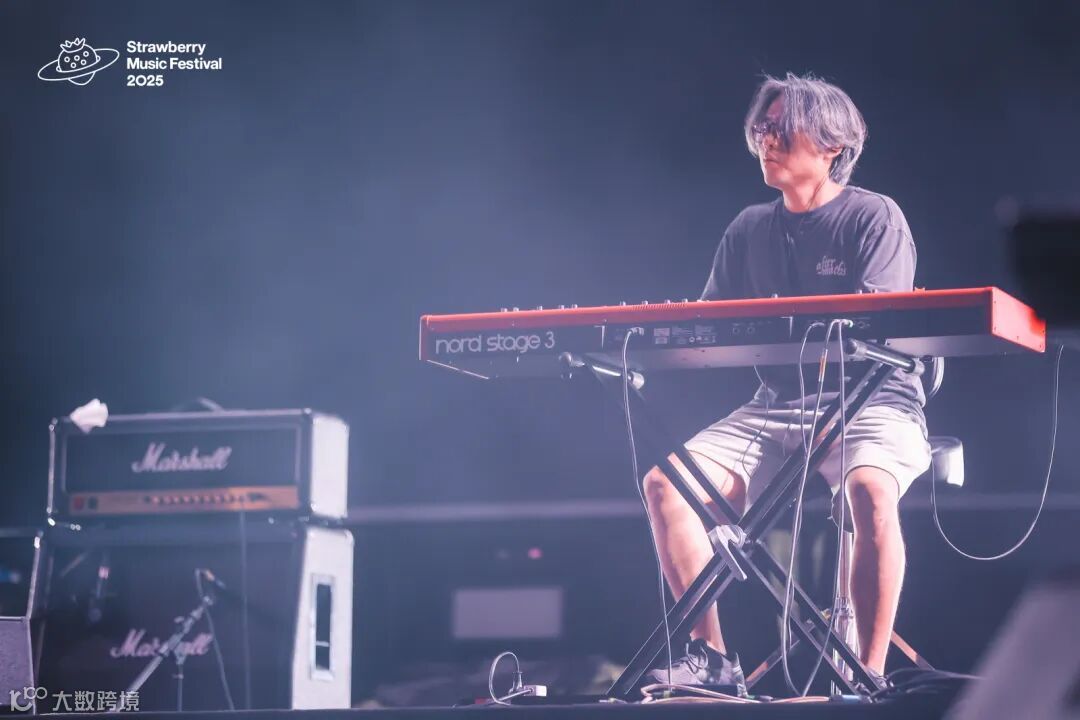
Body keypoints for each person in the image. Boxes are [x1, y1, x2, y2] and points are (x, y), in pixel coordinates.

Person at [642, 73, 931, 691]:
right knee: (667, 484)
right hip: (775, 407)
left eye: (781, 128)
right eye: (762, 128)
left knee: (869, 493)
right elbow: (709, 325)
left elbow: (880, 330)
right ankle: (712, 660)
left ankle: (868, 678)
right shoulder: (748, 228)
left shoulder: (874, 217)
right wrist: (651, 329)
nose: (765, 139)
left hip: (872, 402)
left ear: (832, 145)